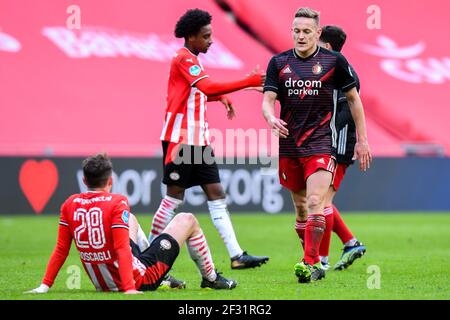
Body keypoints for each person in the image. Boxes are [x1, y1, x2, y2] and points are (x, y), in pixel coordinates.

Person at [149, 8, 269, 270]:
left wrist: (226, 95)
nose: (211, 40)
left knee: (216, 193)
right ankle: (149, 255)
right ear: (191, 37)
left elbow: (201, 93)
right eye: (206, 36)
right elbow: (206, 87)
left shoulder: (194, 59)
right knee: (173, 199)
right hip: (180, 142)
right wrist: (247, 80)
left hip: (200, 142)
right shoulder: (183, 59)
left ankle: (237, 255)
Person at [262, 8, 372, 283]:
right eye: (297, 31)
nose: (301, 36)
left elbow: (355, 99)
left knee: (316, 201)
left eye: (307, 31)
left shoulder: (335, 61)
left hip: (322, 142)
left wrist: (363, 140)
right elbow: (267, 99)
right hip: (289, 144)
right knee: (301, 207)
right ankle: (316, 258)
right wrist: (270, 117)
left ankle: (311, 262)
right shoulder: (278, 62)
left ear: (317, 33)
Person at [26, 153, 237, 294]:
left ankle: (162, 275)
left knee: (131, 220)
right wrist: (129, 289)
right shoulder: (117, 202)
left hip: (102, 283)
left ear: (84, 181)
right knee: (187, 219)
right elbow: (120, 248)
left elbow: (62, 248)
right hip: (138, 279)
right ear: (110, 181)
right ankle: (210, 278)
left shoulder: (69, 204)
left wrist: (44, 286)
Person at [317, 25, 366, 271]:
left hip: (338, 144)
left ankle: (321, 261)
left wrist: (362, 141)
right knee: (317, 200)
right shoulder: (323, 69)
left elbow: (356, 104)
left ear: (327, 46)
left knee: (322, 202)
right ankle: (350, 242)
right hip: (324, 142)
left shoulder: (342, 70)